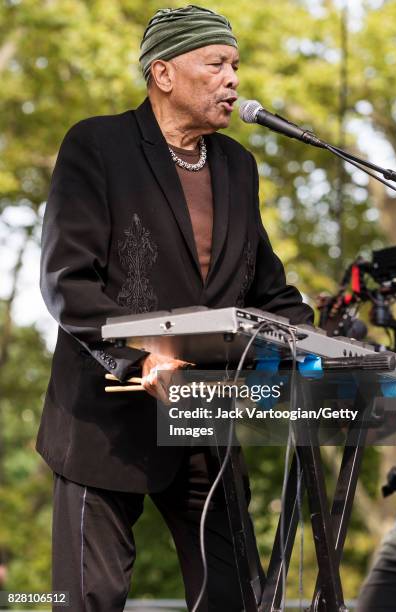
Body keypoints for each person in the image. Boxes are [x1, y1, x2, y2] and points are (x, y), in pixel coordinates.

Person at [37, 5, 314, 611]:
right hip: (105, 418)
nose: (233, 79)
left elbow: (268, 290)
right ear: (162, 74)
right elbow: (67, 280)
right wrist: (137, 359)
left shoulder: (239, 166)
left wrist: (316, 348)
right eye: (215, 63)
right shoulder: (98, 144)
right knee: (91, 597)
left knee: (235, 594)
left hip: (202, 416)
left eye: (236, 65)